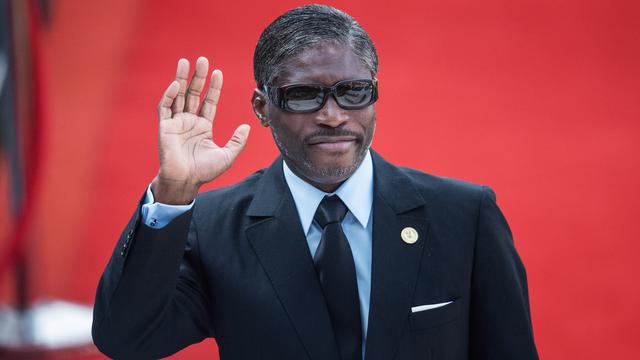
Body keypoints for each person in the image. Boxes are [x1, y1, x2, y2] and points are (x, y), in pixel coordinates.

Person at [92, 4, 538, 360]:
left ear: (374, 94)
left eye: (353, 91)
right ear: (262, 107)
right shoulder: (212, 228)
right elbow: (128, 340)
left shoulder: (464, 216)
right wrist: (172, 193)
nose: (333, 114)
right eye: (304, 95)